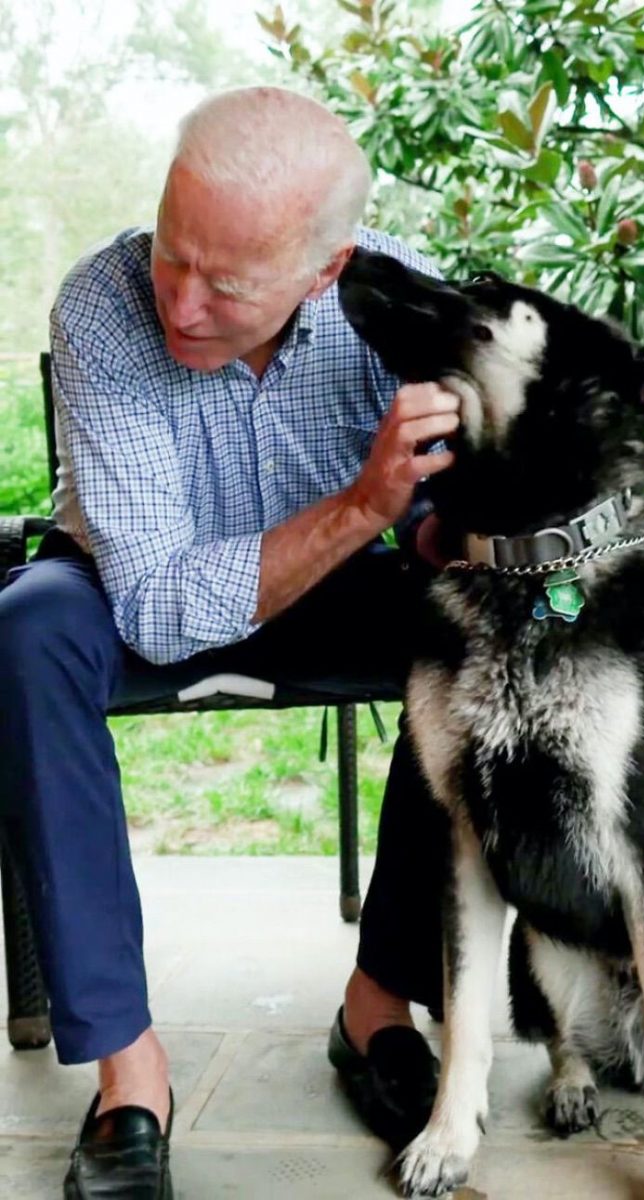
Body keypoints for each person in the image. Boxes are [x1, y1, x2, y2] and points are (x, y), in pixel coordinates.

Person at [0, 87, 460, 1198]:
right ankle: (130, 1072)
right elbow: (156, 605)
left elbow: (451, 511)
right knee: (23, 625)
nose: (182, 302)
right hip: (129, 588)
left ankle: (377, 1003)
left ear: (323, 269)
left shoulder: (395, 297)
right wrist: (363, 505)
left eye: (226, 282)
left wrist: (451, 522)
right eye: (172, 254)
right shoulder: (105, 304)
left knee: (473, 626)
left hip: (336, 584)